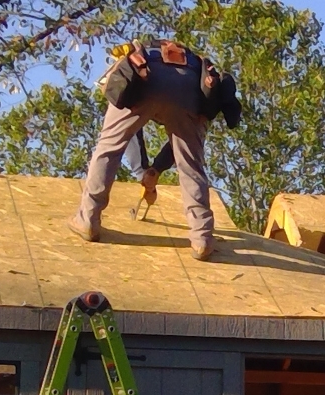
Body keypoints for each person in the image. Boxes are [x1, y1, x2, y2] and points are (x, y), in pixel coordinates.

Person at [70, 40, 240, 260]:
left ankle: (88, 220)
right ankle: (202, 239)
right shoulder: (201, 76)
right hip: (191, 86)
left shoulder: (128, 67)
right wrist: (153, 172)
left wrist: (146, 171)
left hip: (145, 75)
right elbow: (182, 147)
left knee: (108, 147)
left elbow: (125, 136)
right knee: (192, 165)